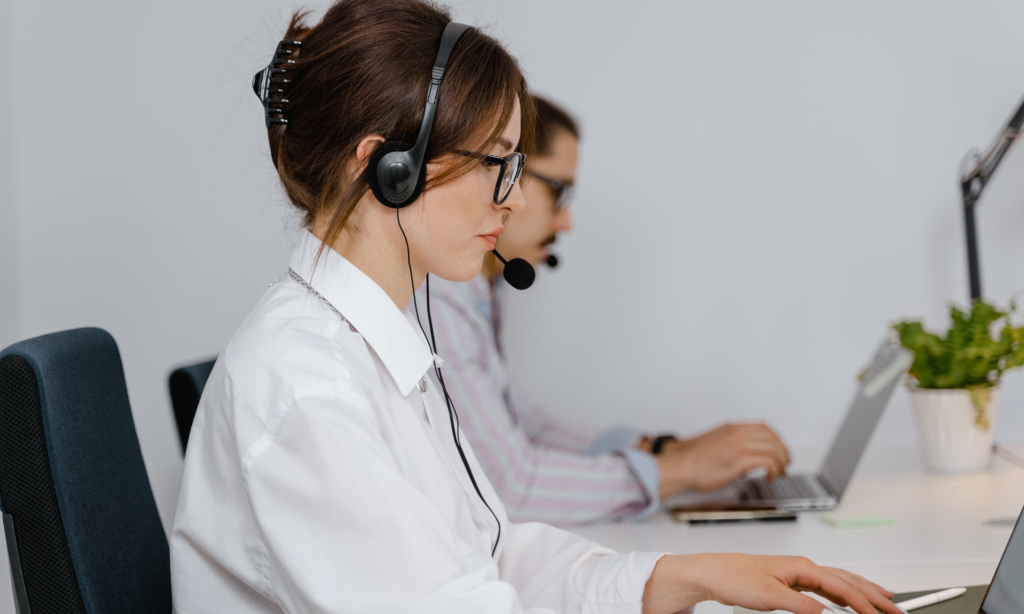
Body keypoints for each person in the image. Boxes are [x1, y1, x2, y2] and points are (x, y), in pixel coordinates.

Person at [170, 2, 901, 613]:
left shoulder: (378, 345)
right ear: (385, 170)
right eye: (497, 164)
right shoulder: (308, 386)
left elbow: (493, 552)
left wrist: (685, 574)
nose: (514, 199)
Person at [419, 96, 792, 526]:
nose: (566, 223)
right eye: (557, 192)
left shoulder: (472, 292)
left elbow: (527, 424)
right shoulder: (437, 296)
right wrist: (680, 470)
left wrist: (661, 451)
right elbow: (510, 486)